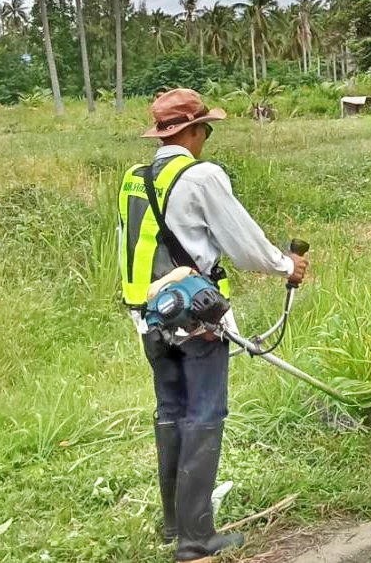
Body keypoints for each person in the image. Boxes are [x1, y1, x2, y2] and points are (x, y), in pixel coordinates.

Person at [118, 88, 308, 562]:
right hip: (198, 320)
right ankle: (196, 539)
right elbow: (244, 245)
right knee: (204, 416)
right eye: (205, 128)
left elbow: (130, 249)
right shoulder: (201, 176)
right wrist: (287, 266)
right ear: (191, 130)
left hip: (151, 318)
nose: (206, 137)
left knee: (170, 413)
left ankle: (173, 525)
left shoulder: (134, 179)